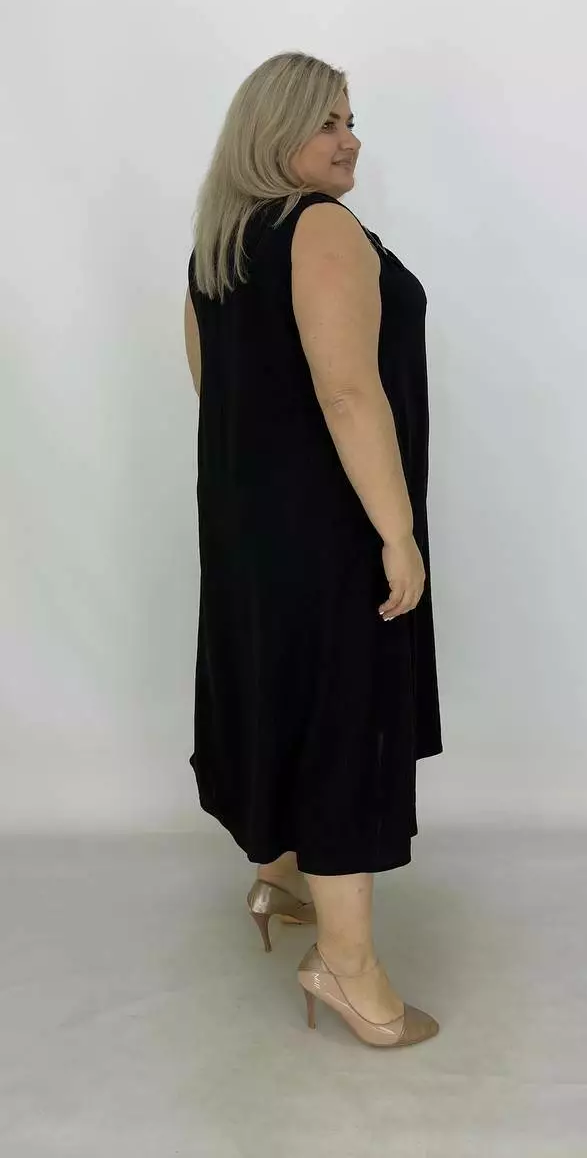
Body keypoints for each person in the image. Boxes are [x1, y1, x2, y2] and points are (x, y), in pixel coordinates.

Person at [183, 51, 443, 1048]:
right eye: (328, 120)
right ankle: (347, 967)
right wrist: (395, 532)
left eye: (352, 119)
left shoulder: (217, 247)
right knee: (344, 719)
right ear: (274, 130)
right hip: (332, 528)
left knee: (281, 692)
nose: (350, 139)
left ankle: (280, 878)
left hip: (251, 530)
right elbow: (347, 391)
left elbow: (215, 386)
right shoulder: (319, 227)